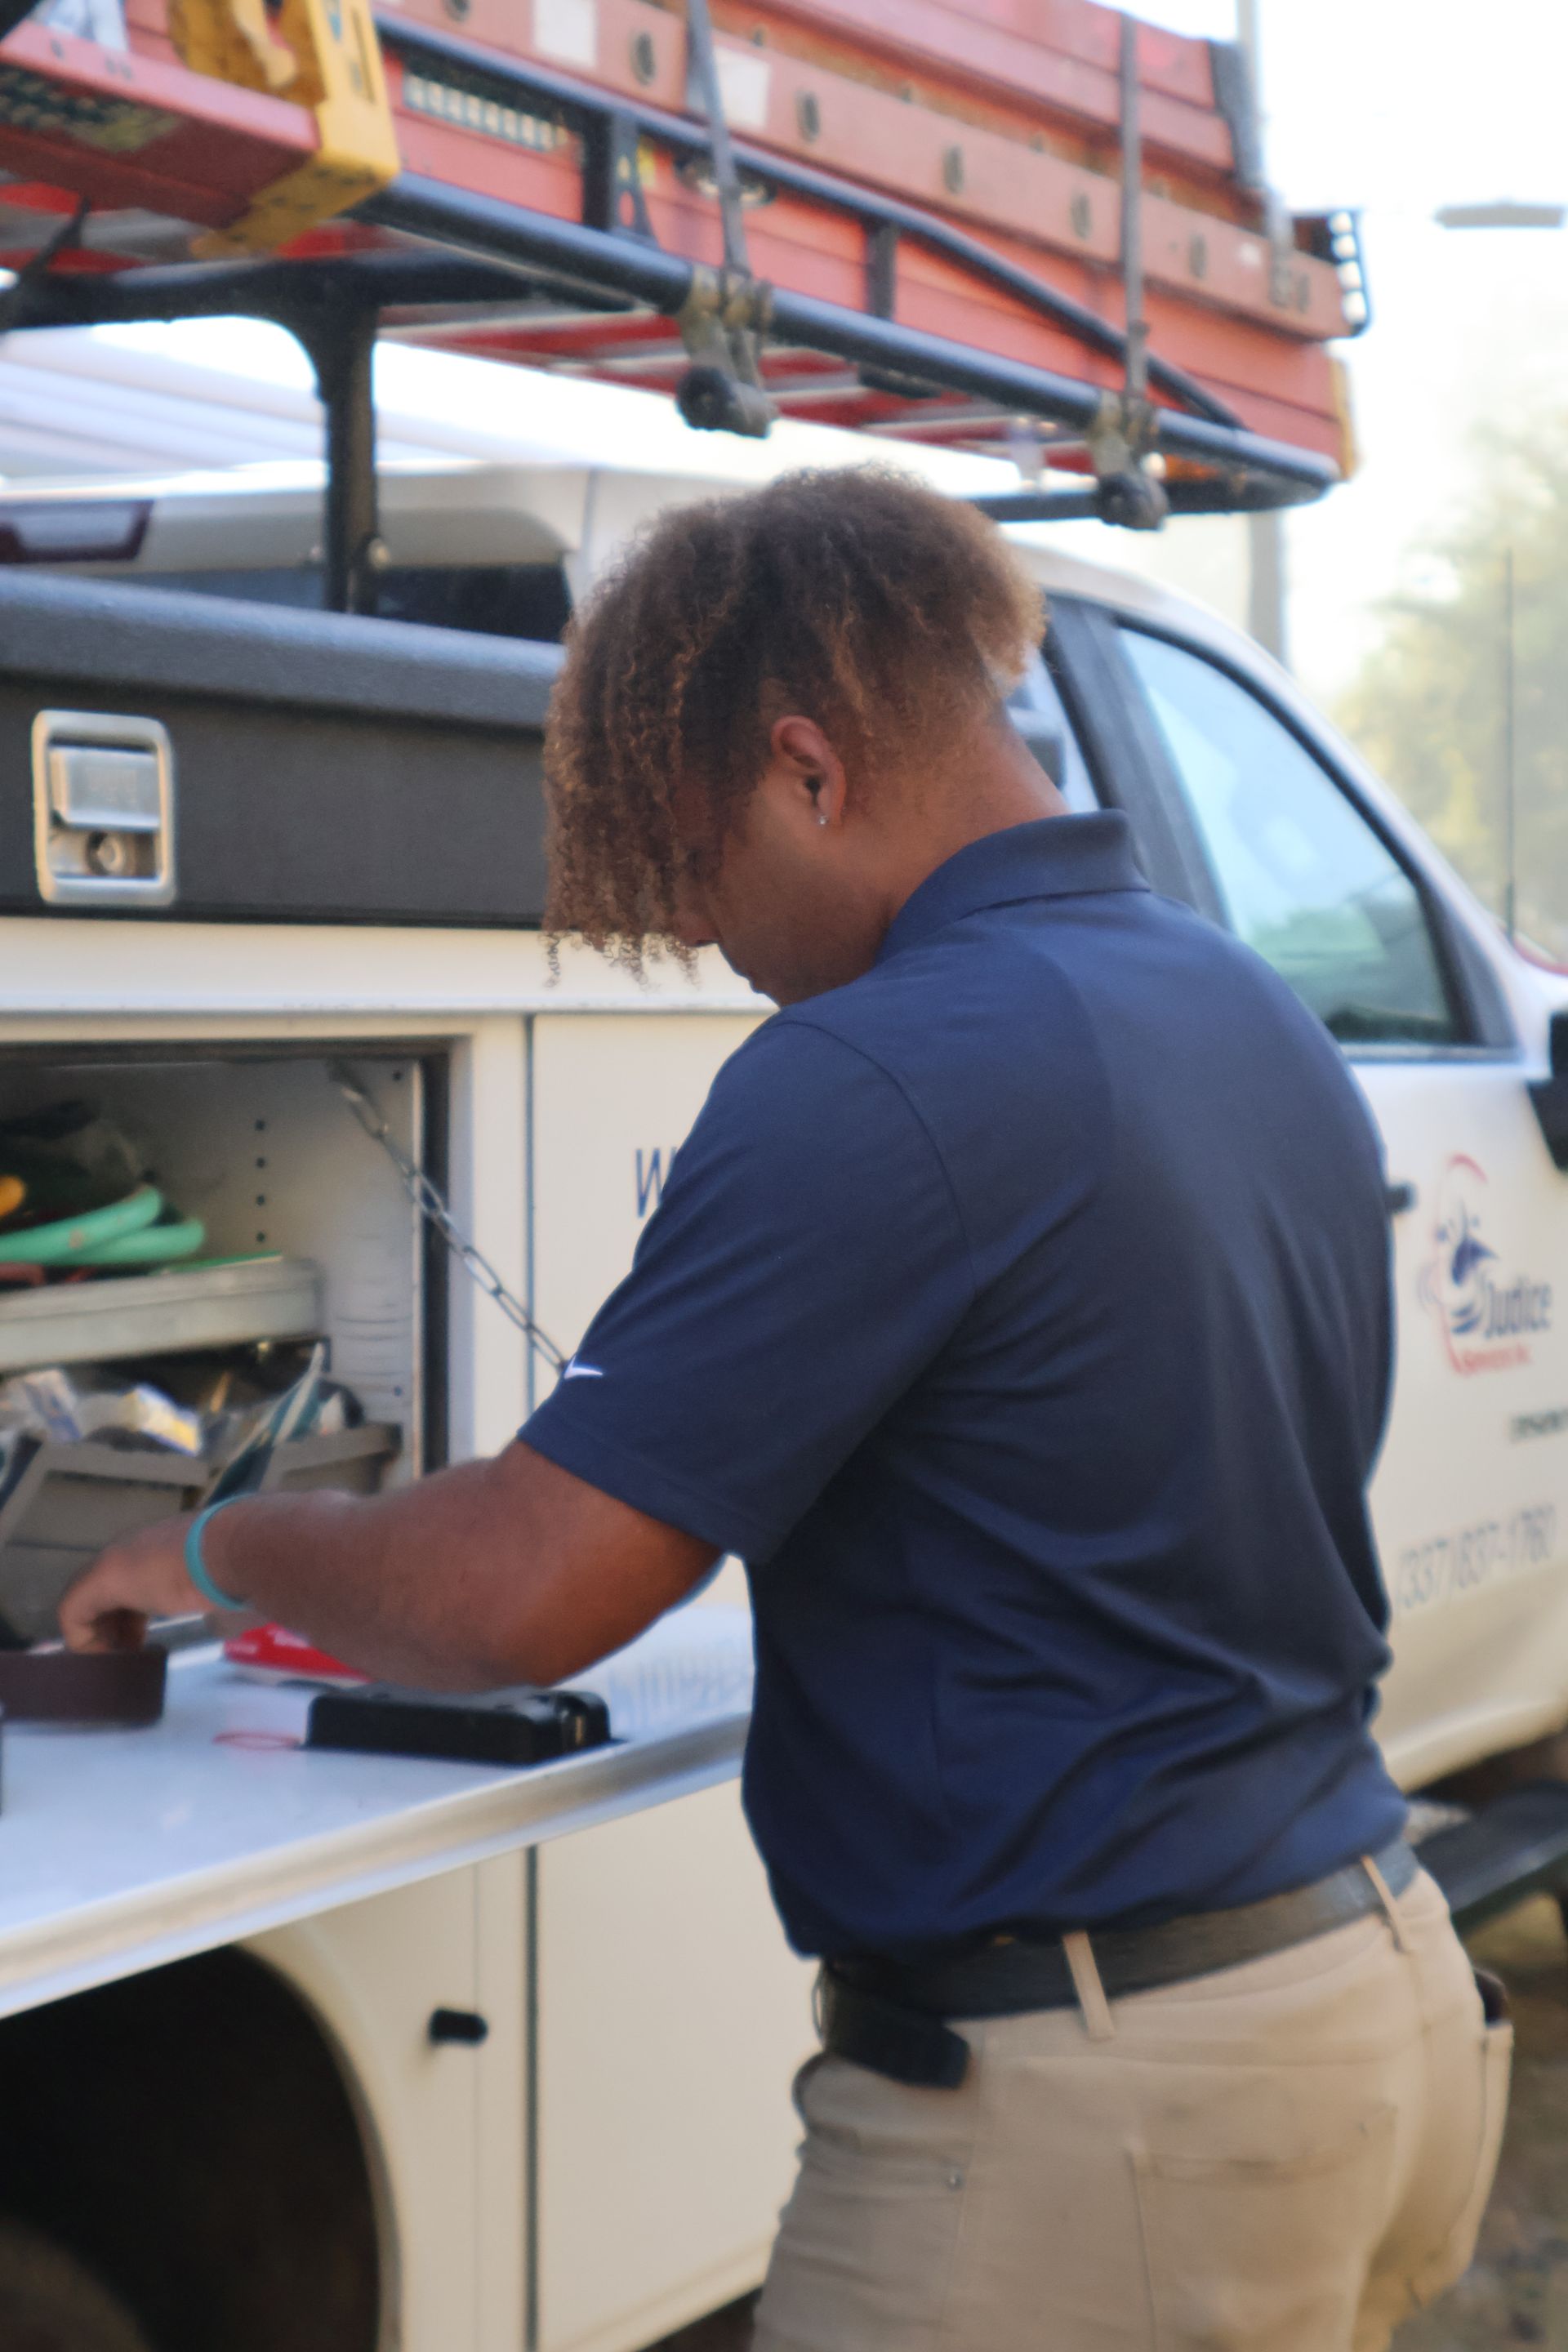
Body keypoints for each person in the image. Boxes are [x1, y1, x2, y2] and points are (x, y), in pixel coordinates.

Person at [62, 470, 1508, 2351]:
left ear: (809, 773)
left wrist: (202, 1542)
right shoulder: (1244, 1010)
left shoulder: (878, 1069)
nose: (699, 930)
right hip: (1360, 1999)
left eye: (691, 862)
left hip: (1099, 2113)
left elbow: (527, 1594)